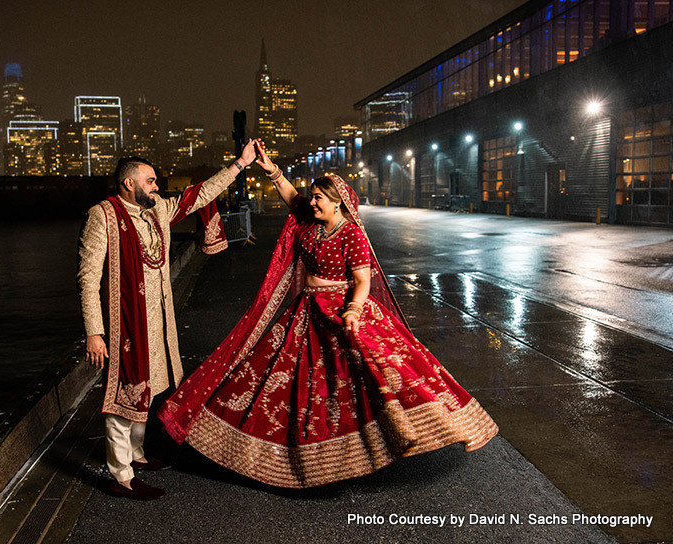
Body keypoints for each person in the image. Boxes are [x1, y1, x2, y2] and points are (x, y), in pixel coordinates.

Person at [158, 140, 498, 488]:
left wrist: (352, 309)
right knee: (284, 377)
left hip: (341, 310)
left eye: (320, 198)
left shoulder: (352, 235)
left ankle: (393, 437)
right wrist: (271, 168)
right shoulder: (311, 222)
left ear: (338, 204)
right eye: (314, 196)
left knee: (365, 377)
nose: (313, 202)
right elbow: (291, 196)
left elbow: (363, 280)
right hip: (306, 309)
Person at [78, 140, 257, 499]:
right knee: (123, 395)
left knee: (152, 387)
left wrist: (240, 164)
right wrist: (94, 332)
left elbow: (200, 195)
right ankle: (121, 475)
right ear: (129, 183)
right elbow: (88, 276)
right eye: (151, 181)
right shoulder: (103, 215)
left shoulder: (157, 209)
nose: (157, 186)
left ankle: (138, 454)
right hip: (124, 325)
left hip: (159, 322)